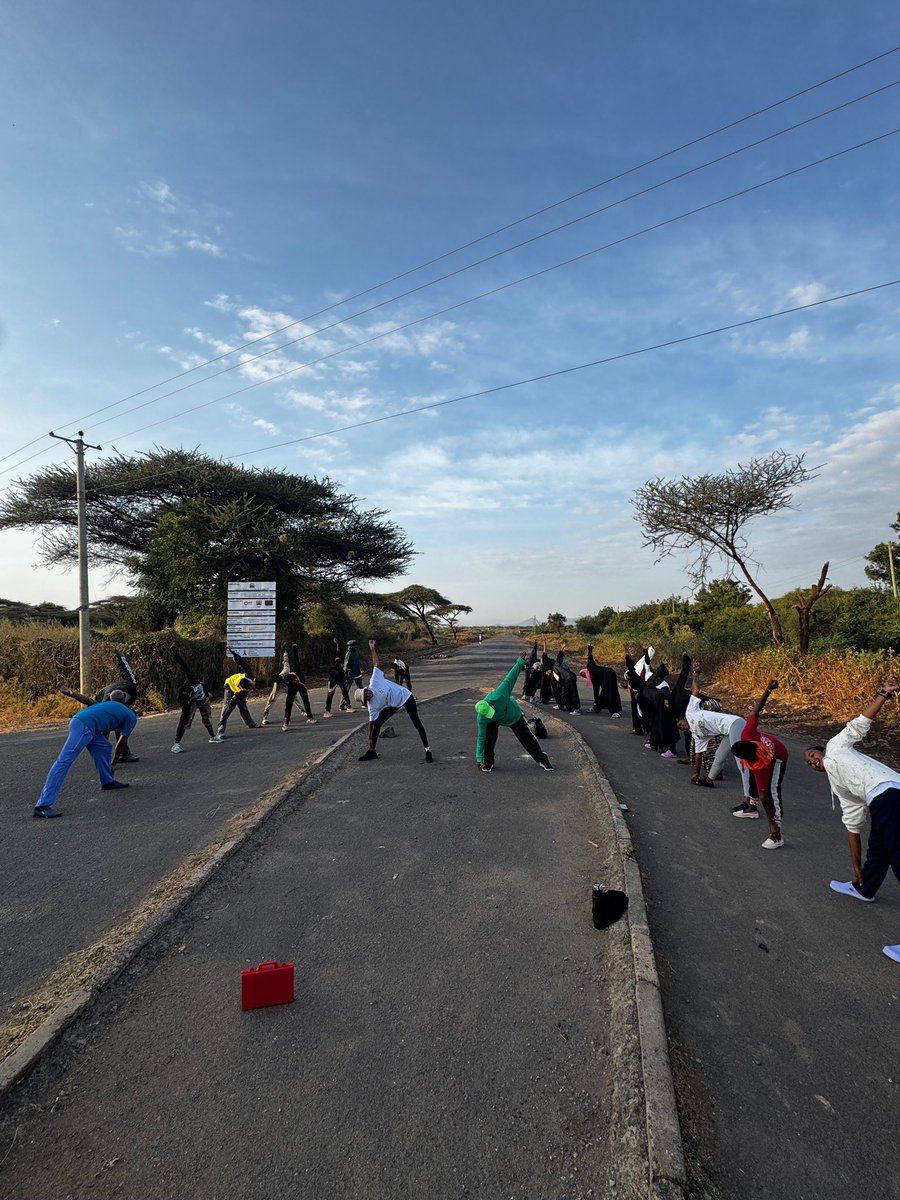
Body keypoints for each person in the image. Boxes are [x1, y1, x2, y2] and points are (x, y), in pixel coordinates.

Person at [803, 674, 900, 960]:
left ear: (821, 750)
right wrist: (856, 867)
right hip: (882, 801)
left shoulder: (837, 746)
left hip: (890, 794)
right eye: (808, 763)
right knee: (879, 850)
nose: (811, 761)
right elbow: (853, 826)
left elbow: (860, 723)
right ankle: (864, 887)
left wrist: (884, 692)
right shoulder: (841, 789)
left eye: (811, 755)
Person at [33, 700, 135, 818]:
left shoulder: (116, 706)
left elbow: (89, 702)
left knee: (104, 747)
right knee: (64, 761)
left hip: (83, 721)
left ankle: (108, 781)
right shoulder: (131, 718)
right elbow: (121, 743)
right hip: (84, 726)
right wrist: (114, 763)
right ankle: (42, 806)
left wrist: (71, 694)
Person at [679, 666, 751, 804]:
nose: (682, 727)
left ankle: (748, 798)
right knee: (719, 756)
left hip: (735, 723)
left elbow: (695, 690)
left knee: (741, 762)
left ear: (683, 719)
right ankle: (708, 780)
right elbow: (698, 755)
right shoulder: (697, 736)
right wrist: (696, 773)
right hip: (728, 731)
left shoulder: (690, 712)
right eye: (681, 729)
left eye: (681, 724)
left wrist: (695, 674)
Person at [731, 680, 789, 849]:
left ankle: (776, 833)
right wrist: (767, 690)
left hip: (779, 756)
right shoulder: (748, 733)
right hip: (767, 751)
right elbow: (756, 710)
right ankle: (752, 808)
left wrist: (771, 822)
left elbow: (764, 795)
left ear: (747, 759)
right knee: (751, 781)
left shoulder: (759, 765)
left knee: (772, 792)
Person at [356, 640, 432, 763]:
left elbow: (376, 663)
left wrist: (373, 649)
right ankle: (371, 752)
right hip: (393, 704)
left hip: (405, 696)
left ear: (366, 689)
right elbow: (371, 722)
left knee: (416, 722)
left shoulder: (374, 681)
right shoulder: (372, 706)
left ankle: (427, 750)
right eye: (366, 697)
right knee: (377, 724)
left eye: (367, 692)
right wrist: (369, 738)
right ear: (366, 701)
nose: (369, 694)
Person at [60, 649, 140, 764]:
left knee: (122, 722)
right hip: (101, 696)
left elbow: (126, 670)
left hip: (113, 691)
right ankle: (103, 754)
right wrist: (71, 693)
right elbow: (90, 702)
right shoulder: (106, 702)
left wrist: (120, 656)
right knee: (106, 726)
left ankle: (124, 754)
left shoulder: (131, 685)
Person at [475, 656, 553, 773]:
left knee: (526, 737)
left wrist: (520, 662)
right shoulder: (482, 719)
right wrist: (479, 758)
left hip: (513, 715)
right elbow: (481, 738)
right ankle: (488, 762)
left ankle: (542, 759)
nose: (492, 714)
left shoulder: (499, 695)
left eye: (491, 711)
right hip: (495, 721)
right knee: (488, 739)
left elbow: (510, 678)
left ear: (490, 705)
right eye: (488, 715)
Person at [171, 646, 218, 752]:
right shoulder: (185, 694)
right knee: (185, 721)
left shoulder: (195, 682)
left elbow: (183, 665)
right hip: (192, 703)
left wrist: (175, 653)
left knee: (207, 718)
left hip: (203, 700)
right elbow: (183, 715)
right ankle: (176, 744)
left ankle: (213, 737)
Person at [261, 644, 317, 729]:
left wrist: (285, 653)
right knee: (271, 700)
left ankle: (302, 711)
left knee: (295, 698)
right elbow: (295, 661)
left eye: (281, 679)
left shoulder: (286, 671)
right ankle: (265, 715)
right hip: (280, 688)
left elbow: (286, 662)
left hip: (290, 686)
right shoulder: (278, 683)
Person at [216, 648, 257, 737]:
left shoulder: (249, 675)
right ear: (243, 689)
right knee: (226, 706)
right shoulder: (241, 693)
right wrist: (223, 719)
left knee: (242, 705)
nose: (252, 687)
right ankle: (221, 730)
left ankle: (250, 723)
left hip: (237, 682)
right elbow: (231, 706)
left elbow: (243, 664)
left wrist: (235, 655)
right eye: (249, 688)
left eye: (251, 685)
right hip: (229, 685)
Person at [582, 645, 622, 716]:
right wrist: (590, 649)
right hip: (609, 674)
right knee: (605, 693)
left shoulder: (591, 671)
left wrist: (590, 650)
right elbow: (590, 659)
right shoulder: (592, 672)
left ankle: (614, 711)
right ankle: (597, 708)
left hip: (609, 676)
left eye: (583, 674)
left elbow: (596, 690)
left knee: (610, 693)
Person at [323, 639, 353, 717]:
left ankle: (349, 707)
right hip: (333, 679)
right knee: (330, 694)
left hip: (340, 677)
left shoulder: (337, 656)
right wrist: (334, 672)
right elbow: (329, 670)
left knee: (345, 692)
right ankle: (327, 711)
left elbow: (338, 652)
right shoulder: (328, 659)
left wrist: (337, 644)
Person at [552, 644, 582, 714]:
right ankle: (573, 708)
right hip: (572, 676)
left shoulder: (554, 668)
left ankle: (575, 709)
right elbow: (559, 657)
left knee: (571, 694)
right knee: (573, 693)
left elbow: (558, 679)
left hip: (568, 679)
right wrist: (561, 650)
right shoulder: (558, 664)